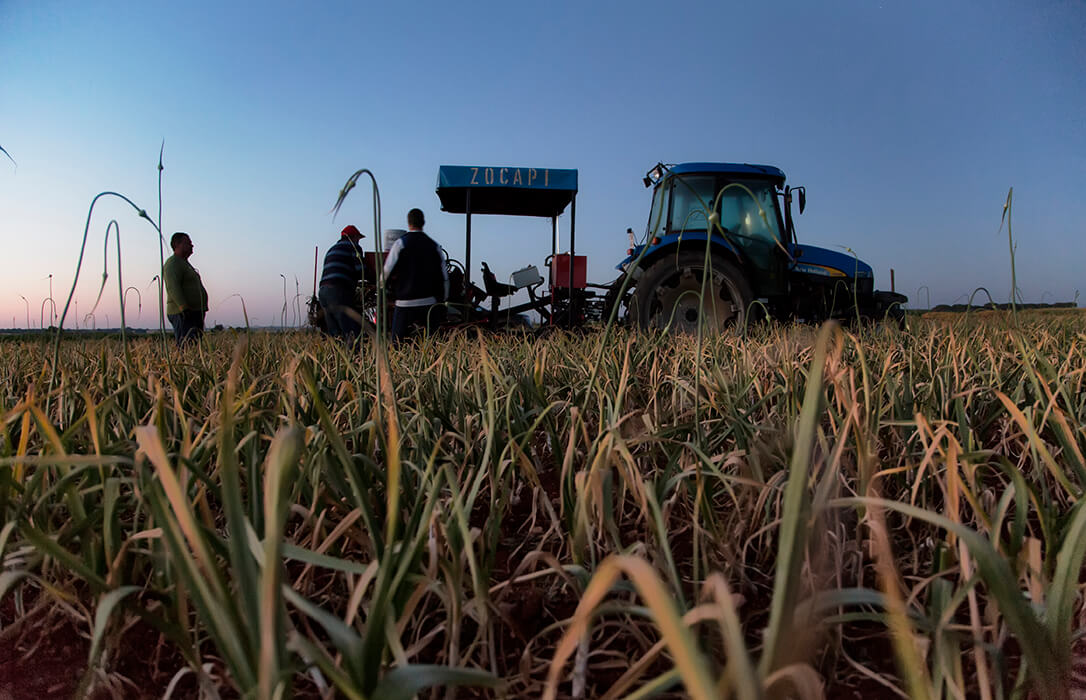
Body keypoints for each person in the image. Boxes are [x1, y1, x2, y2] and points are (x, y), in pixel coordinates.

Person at [383, 209, 448, 342]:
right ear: (423, 222)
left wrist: (383, 290)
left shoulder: (400, 244)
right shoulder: (434, 246)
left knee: (396, 343)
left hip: (404, 303)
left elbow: (386, 271)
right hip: (428, 303)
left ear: (408, 223)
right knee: (432, 343)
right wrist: (442, 300)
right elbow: (444, 277)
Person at [318, 225, 366, 341]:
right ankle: (354, 357)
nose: (358, 241)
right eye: (358, 238)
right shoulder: (353, 247)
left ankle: (337, 357)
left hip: (323, 292)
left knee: (335, 333)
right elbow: (361, 271)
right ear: (353, 237)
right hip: (338, 291)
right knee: (350, 330)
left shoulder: (332, 249)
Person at [163, 231, 208, 346]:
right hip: (184, 313)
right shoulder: (172, 263)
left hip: (194, 312)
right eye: (188, 243)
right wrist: (183, 307)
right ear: (178, 245)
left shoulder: (184, 263)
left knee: (194, 346)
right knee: (187, 346)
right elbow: (173, 287)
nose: (192, 245)